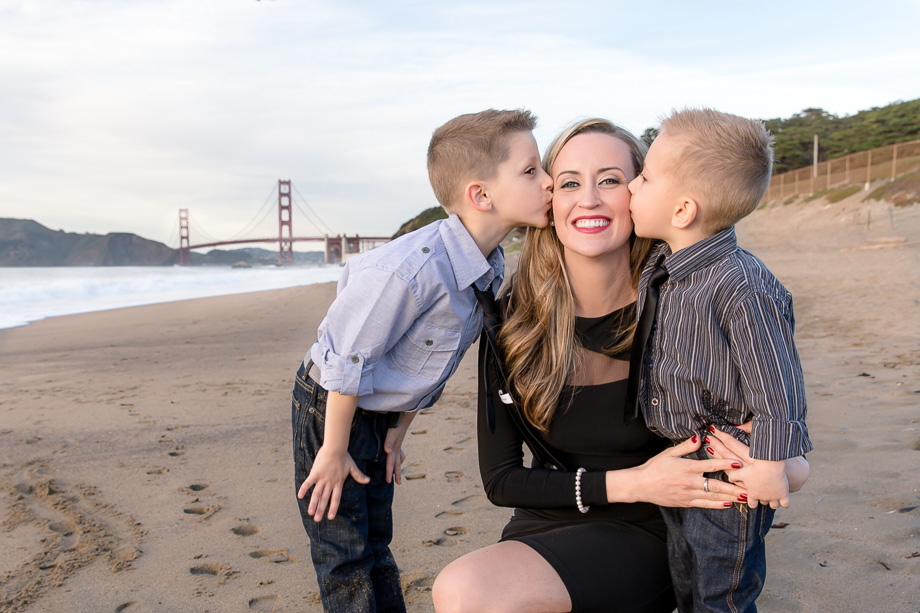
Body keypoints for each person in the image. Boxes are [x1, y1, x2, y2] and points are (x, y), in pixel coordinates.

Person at [433, 118, 809, 613]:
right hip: (556, 512)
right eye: (569, 182)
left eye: (610, 179)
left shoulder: (695, 304)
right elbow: (502, 480)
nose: (588, 198)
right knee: (461, 591)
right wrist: (634, 481)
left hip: (664, 523)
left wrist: (763, 463)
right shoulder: (512, 318)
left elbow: (787, 449)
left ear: (641, 193)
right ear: (550, 200)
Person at [292, 108, 553, 612]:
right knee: (343, 551)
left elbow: (428, 362)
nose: (548, 182)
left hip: (377, 408)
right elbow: (349, 359)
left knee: (375, 540)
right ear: (480, 194)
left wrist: (397, 430)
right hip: (331, 405)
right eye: (531, 171)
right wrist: (333, 448)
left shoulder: (487, 266)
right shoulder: (412, 271)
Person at [626, 108, 813, 612]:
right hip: (682, 457)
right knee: (684, 579)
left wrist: (774, 464)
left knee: (721, 589)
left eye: (643, 177)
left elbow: (777, 384)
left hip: (732, 466)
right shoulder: (663, 270)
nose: (631, 187)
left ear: (683, 210)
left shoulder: (739, 283)